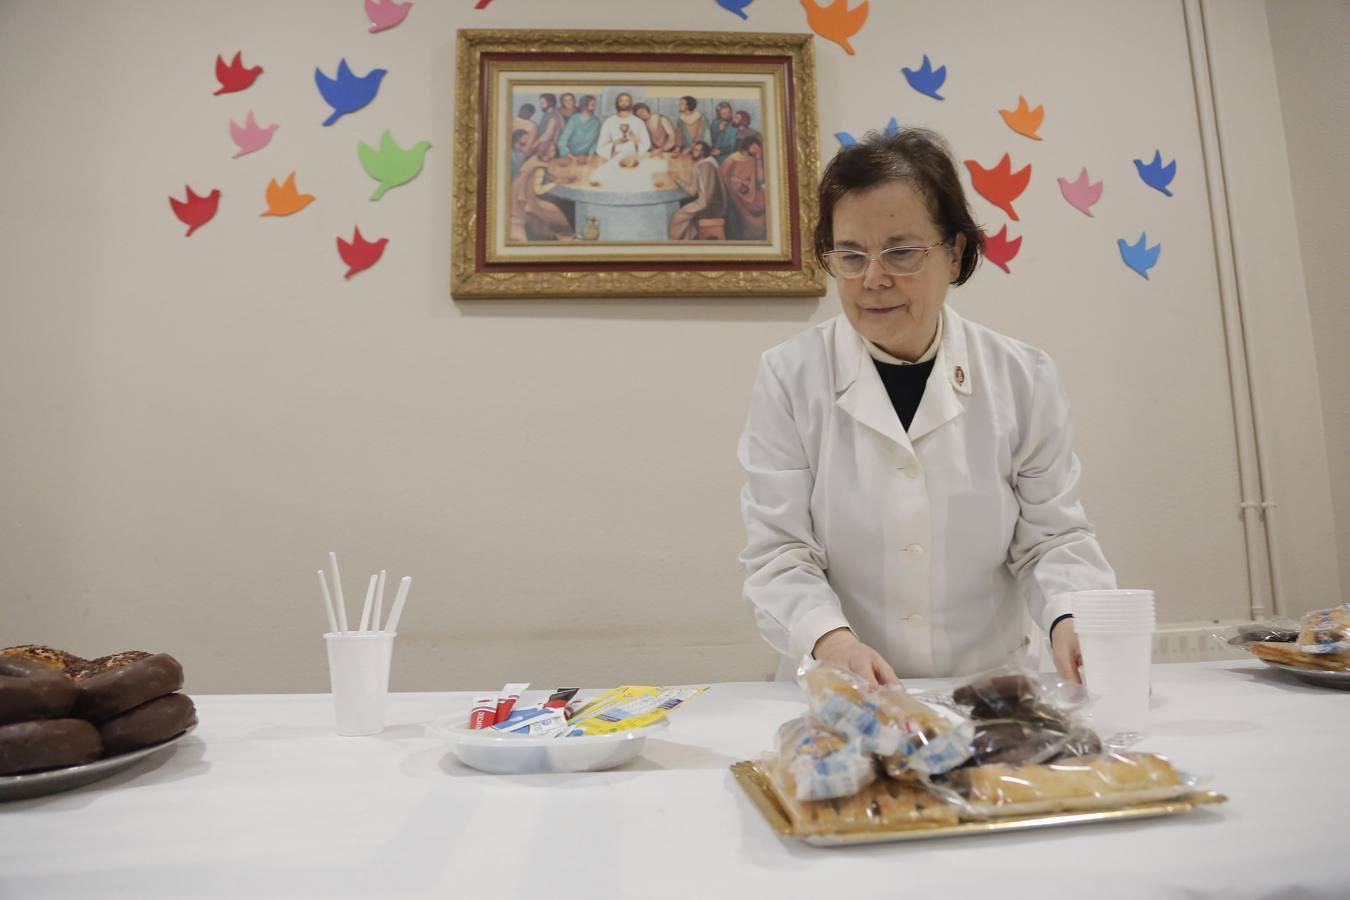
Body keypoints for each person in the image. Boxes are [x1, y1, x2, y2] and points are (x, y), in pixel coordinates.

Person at [738, 128, 1115, 686]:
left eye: (901, 251)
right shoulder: (790, 377)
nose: (873, 278)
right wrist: (832, 642)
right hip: (846, 692)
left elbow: (1052, 539)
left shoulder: (1022, 376)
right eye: (850, 255)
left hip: (991, 688)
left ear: (955, 251)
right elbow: (779, 553)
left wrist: (1071, 618)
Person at [508, 141, 571, 242]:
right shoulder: (540, 168)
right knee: (559, 214)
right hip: (526, 203)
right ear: (544, 152)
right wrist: (556, 183)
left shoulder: (535, 160)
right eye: (551, 150)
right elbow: (538, 190)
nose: (554, 152)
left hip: (520, 197)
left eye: (554, 150)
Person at [668, 141, 726, 240]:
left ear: (702, 153)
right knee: (686, 212)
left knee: (676, 217)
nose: (692, 151)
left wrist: (676, 179)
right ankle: (690, 239)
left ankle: (676, 243)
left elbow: (692, 192)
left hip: (708, 207)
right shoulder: (711, 161)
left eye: (695, 150)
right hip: (720, 204)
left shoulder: (700, 166)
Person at [720, 135, 766, 240]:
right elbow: (723, 176)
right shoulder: (732, 158)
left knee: (763, 203)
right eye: (754, 147)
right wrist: (739, 182)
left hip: (751, 192)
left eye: (758, 148)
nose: (757, 150)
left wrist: (758, 160)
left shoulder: (754, 159)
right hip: (734, 193)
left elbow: (760, 180)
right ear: (747, 146)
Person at [595, 92, 651, 160]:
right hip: (614, 158)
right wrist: (614, 143)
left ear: (630, 103)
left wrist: (636, 141)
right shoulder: (609, 122)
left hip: (633, 158)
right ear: (617, 103)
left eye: (626, 101)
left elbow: (646, 144)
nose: (624, 103)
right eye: (621, 101)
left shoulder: (639, 122)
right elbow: (601, 146)